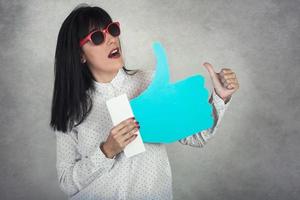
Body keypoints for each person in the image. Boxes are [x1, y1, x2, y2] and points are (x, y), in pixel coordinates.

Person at [50, 5, 239, 200]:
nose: (111, 39)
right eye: (97, 37)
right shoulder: (70, 110)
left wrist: (220, 96)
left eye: (112, 30)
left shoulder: (149, 83)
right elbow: (67, 183)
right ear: (79, 54)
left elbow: (198, 137)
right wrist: (107, 151)